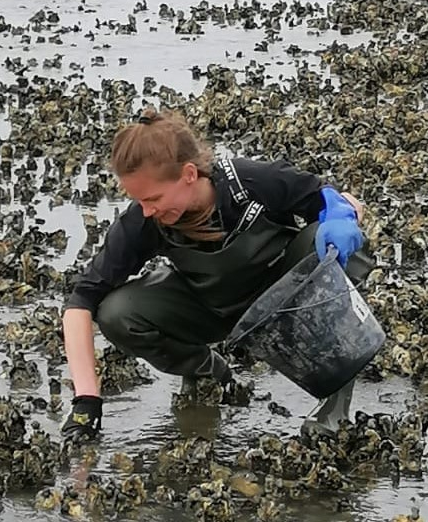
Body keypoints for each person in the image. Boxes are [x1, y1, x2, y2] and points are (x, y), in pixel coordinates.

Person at [59, 107, 374, 442]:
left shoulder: (251, 181)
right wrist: (86, 400)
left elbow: (328, 200)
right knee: (116, 312)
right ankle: (207, 372)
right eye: (138, 200)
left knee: (334, 246)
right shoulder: (143, 221)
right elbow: (81, 300)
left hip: (285, 299)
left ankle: (334, 404)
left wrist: (344, 214)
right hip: (213, 309)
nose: (147, 209)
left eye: (153, 198)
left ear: (189, 174)